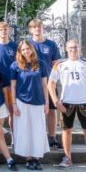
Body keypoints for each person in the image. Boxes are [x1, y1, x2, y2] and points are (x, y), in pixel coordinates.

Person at [48, 39, 86, 169]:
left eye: (75, 47)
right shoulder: (59, 64)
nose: (73, 50)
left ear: (79, 48)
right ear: (66, 49)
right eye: (71, 48)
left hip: (85, 103)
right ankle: (67, 158)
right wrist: (56, 101)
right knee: (66, 131)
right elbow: (50, 83)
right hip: (66, 103)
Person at [11, 41, 50, 170]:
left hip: (38, 102)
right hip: (22, 101)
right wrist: (14, 104)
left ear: (32, 49)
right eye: (23, 49)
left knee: (38, 131)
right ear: (20, 52)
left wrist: (47, 102)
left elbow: (45, 85)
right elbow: (13, 86)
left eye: (28, 48)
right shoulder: (15, 66)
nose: (26, 51)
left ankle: (36, 158)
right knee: (24, 130)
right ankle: (28, 158)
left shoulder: (41, 64)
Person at [27, 18, 62, 148]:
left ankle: (52, 136)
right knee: (34, 111)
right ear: (30, 30)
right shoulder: (27, 45)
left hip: (49, 83)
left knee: (52, 110)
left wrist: (54, 80)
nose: (37, 29)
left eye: (40, 26)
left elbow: (56, 64)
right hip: (33, 83)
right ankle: (36, 136)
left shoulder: (51, 45)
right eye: (34, 27)